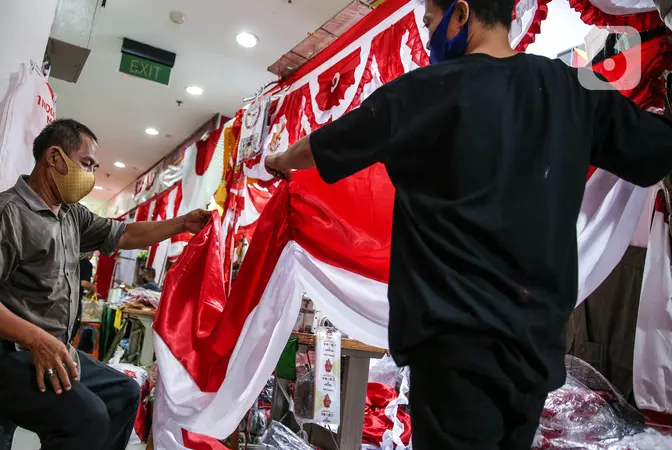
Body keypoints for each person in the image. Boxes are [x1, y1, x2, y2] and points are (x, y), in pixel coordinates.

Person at [265, 0, 672, 447]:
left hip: (453, 345)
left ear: (461, 14)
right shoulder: (573, 85)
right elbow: (654, 151)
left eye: (430, 22)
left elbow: (324, 146)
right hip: (535, 347)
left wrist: (278, 160)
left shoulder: (424, 89)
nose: (427, 35)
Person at [0, 119, 209, 450]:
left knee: (123, 393)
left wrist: (182, 224)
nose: (91, 175)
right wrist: (37, 339)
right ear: (54, 158)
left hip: (49, 348)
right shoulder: (3, 216)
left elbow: (123, 233)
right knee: (87, 419)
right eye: (86, 164)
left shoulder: (71, 215)